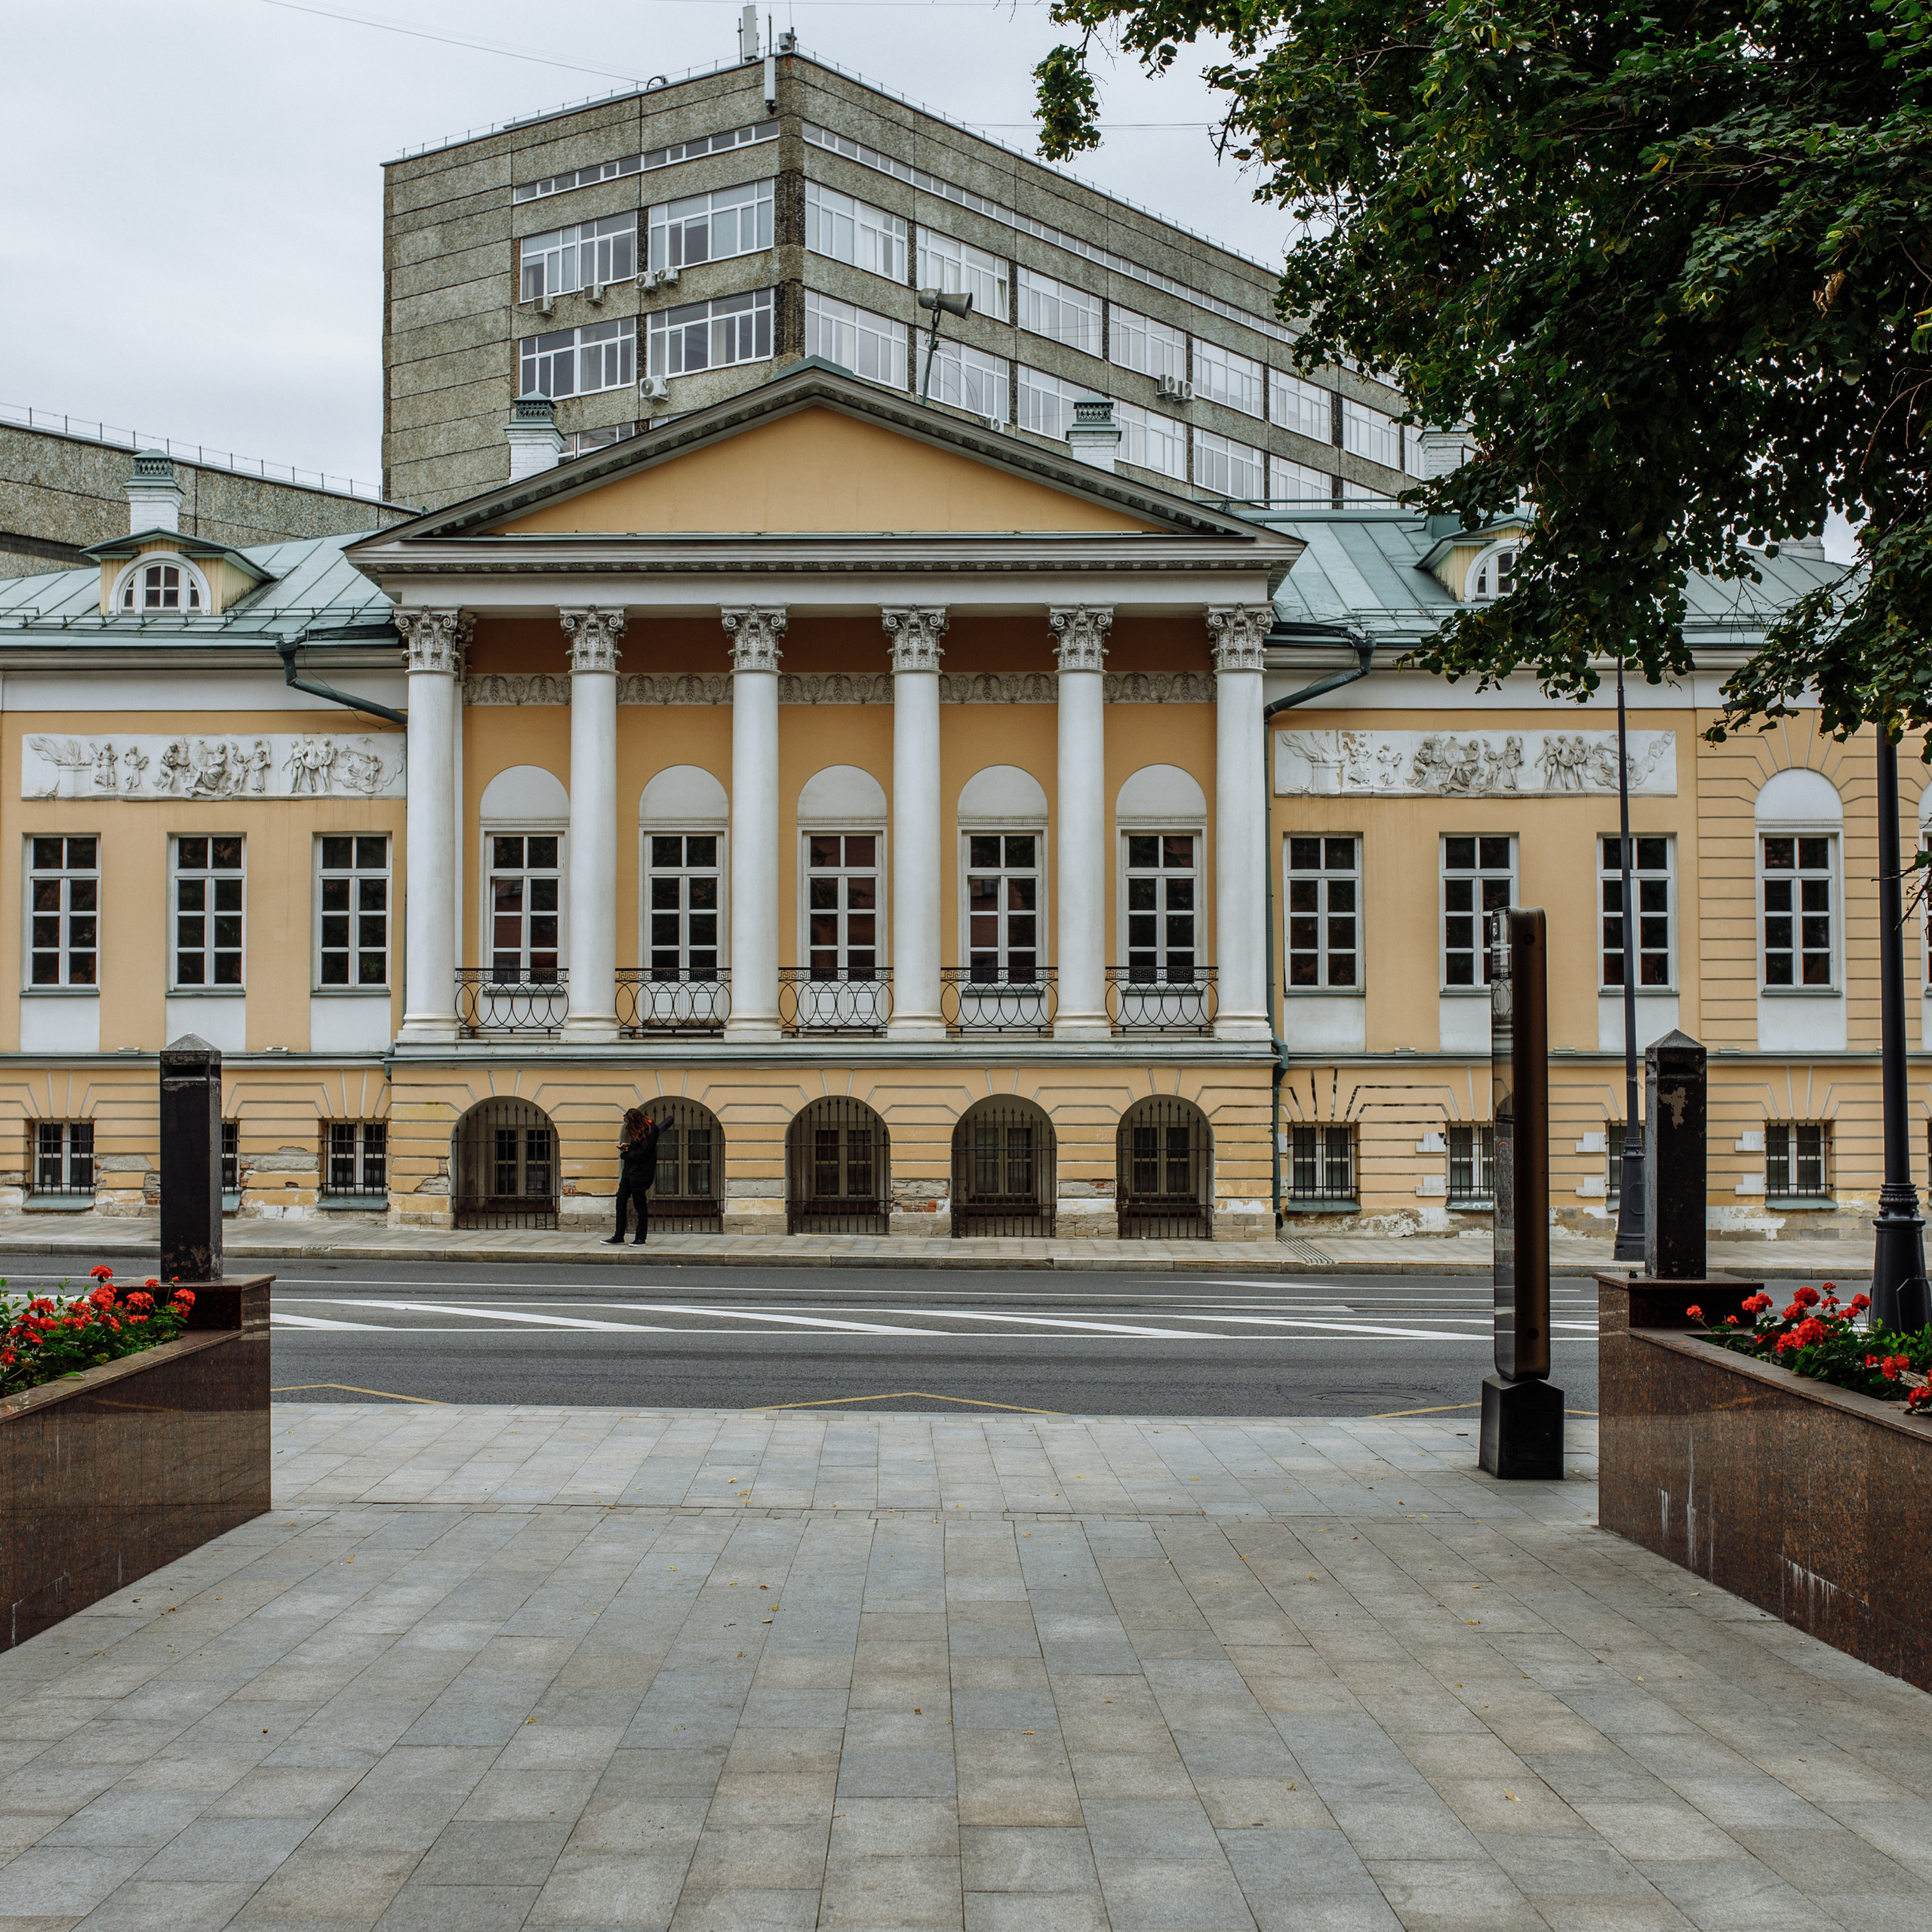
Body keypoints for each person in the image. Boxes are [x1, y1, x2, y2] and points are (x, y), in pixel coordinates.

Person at [605, 1106, 660, 1246]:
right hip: (629, 1172)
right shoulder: (640, 1130)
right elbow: (638, 1149)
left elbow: (643, 1153)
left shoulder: (650, 1130)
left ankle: (641, 1238)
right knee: (620, 1201)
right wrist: (628, 1148)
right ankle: (619, 1236)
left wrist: (625, 1155)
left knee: (640, 1206)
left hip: (640, 1174)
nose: (628, 1127)